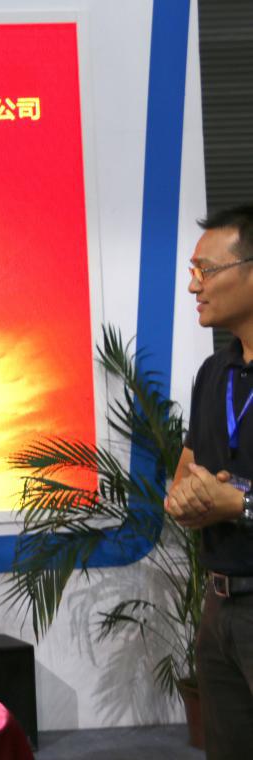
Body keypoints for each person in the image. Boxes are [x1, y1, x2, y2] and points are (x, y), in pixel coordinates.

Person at [164, 204, 253, 760]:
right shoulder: (214, 373)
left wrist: (238, 503)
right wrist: (187, 501)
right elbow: (184, 475)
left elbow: (232, 499)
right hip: (220, 610)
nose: (193, 285)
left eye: (206, 270)